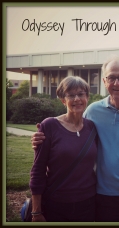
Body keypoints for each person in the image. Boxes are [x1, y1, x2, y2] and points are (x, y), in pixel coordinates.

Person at [31, 56, 119, 222]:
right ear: (105, 81)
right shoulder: (93, 111)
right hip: (104, 197)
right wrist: (42, 136)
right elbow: (72, 124)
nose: (116, 83)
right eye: (111, 78)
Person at [29, 76, 97, 222]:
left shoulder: (92, 127)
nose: (77, 99)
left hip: (88, 203)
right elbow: (38, 170)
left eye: (81, 94)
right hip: (56, 204)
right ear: (62, 100)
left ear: (87, 97)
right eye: (71, 95)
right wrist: (36, 211)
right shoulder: (50, 126)